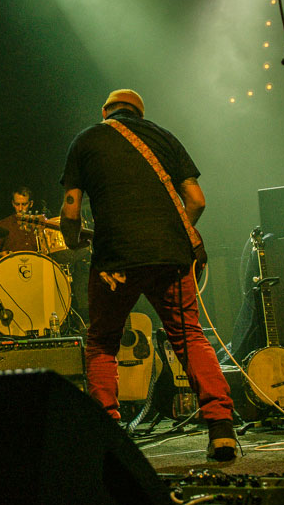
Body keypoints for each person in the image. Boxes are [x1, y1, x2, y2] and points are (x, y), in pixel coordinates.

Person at [58, 89, 237, 461]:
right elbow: (197, 200)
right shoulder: (164, 137)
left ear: (105, 110)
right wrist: (171, 235)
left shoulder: (86, 139)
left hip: (115, 262)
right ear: (140, 114)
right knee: (189, 335)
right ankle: (221, 428)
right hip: (169, 258)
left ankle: (108, 434)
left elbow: (71, 210)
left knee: (103, 342)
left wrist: (74, 242)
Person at [0, 186, 42, 261]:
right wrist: (0, 254)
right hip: (10, 268)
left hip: (37, 267)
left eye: (24, 204)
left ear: (31, 204)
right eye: (17, 204)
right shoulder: (4, 224)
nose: (20, 209)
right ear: (13, 203)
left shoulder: (40, 224)